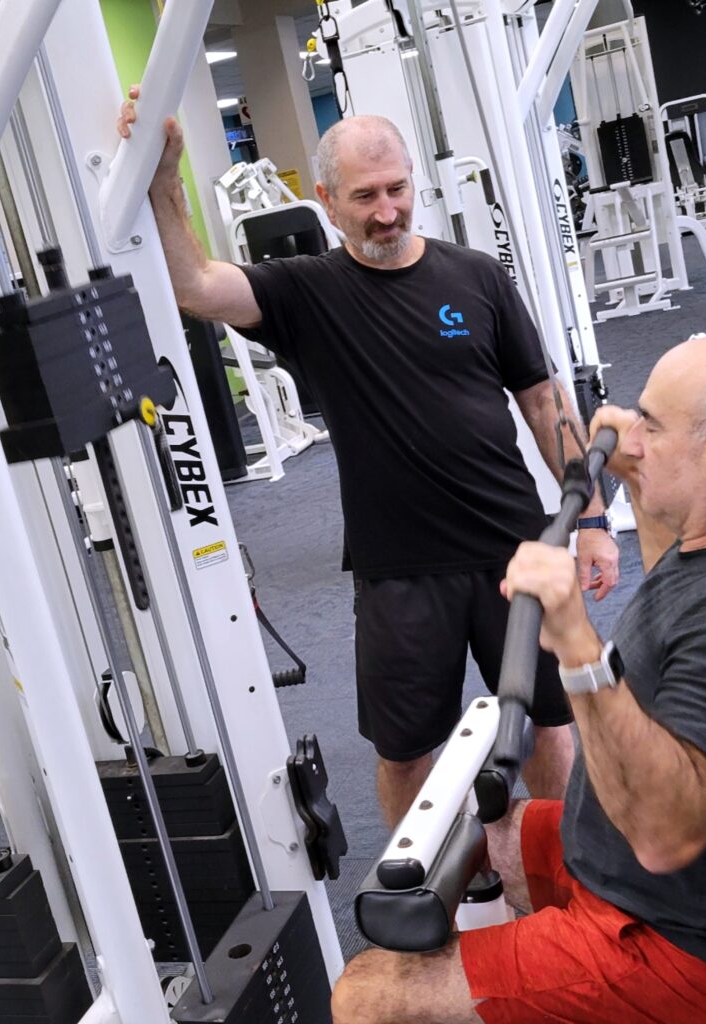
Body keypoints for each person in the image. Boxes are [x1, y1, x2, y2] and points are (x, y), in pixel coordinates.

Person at [117, 97, 620, 828]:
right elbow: (196, 286)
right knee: (406, 754)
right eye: (364, 197)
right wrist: (164, 181)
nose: (387, 213)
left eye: (397, 190)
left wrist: (596, 520)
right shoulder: (306, 292)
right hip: (400, 570)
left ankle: (556, 878)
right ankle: (425, 908)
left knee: (547, 723)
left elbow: (547, 404)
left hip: (515, 549)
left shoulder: (477, 278)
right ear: (326, 201)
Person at [330, 332, 706, 1024]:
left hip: (683, 950)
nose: (629, 426)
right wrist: (634, 470)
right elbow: (667, 590)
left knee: (365, 996)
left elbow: (662, 839)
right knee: (485, 834)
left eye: (651, 423)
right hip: (639, 876)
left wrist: (572, 639)